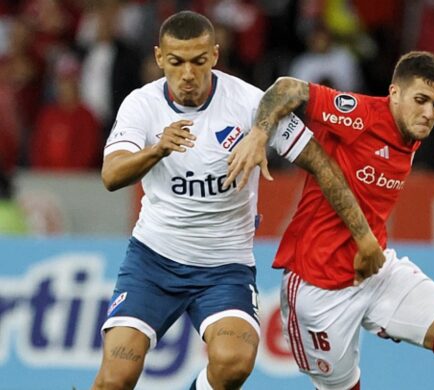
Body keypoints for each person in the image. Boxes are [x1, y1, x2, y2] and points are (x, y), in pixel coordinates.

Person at [92, 10, 384, 390]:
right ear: (160, 58)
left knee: (235, 362)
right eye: (176, 62)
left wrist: (364, 236)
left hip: (223, 267)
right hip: (153, 261)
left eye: (198, 61)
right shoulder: (141, 104)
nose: (187, 74)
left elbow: (322, 165)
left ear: (215, 55)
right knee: (116, 377)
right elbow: (111, 175)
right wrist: (157, 150)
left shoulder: (250, 104)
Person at [225, 51, 434, 389]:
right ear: (394, 93)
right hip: (317, 286)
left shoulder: (411, 133)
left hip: (374, 270)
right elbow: (284, 89)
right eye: (421, 100)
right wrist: (260, 135)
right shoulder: (361, 115)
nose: (428, 113)